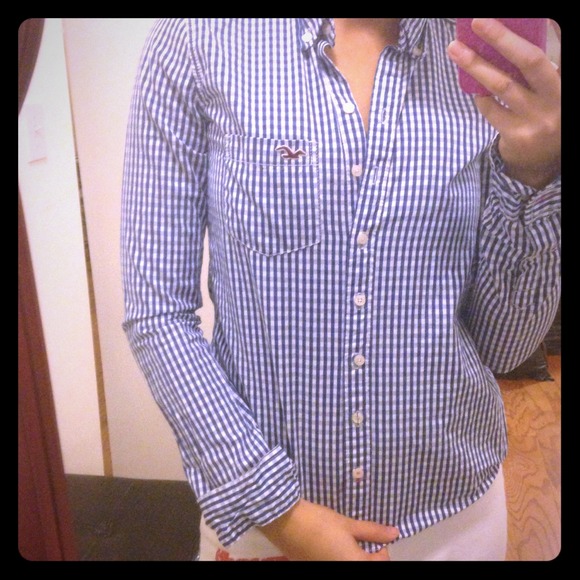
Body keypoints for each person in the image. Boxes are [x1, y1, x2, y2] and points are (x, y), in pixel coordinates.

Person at [121, 18, 561, 561]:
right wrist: (280, 512)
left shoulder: (482, 56)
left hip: (456, 520)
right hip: (268, 528)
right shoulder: (200, 38)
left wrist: (534, 172)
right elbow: (157, 311)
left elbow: (505, 347)